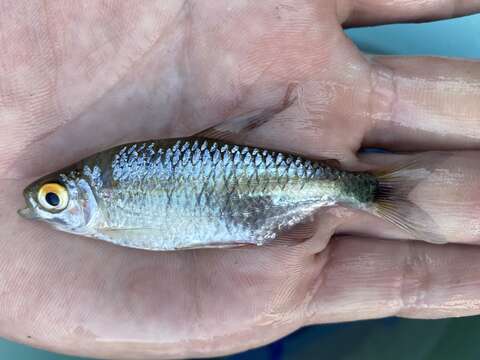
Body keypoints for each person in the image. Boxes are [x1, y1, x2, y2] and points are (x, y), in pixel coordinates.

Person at [1, 1, 479, 358]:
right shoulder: (109, 189)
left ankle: (369, 192)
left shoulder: (113, 203)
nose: (45, 204)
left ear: (88, 191)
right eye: (51, 198)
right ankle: (370, 193)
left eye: (53, 197)